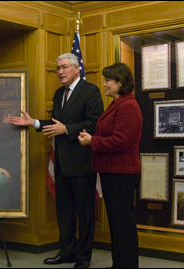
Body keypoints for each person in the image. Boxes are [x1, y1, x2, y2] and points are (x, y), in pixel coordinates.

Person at [10, 53, 104, 268]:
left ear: (76, 68)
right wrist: (33, 122)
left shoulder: (91, 91)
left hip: (82, 164)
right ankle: (67, 252)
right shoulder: (58, 93)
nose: (60, 72)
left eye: (64, 67)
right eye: (57, 69)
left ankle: (83, 257)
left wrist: (67, 129)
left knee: (85, 213)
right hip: (61, 163)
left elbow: (96, 123)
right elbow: (54, 124)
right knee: (64, 212)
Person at [78, 62, 142, 268]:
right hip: (112, 172)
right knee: (117, 223)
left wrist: (92, 141)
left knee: (123, 224)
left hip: (120, 174)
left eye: (108, 80)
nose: (104, 84)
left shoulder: (129, 106)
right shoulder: (119, 103)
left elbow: (120, 141)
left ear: (120, 82)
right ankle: (120, 264)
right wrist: (92, 137)